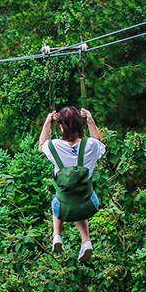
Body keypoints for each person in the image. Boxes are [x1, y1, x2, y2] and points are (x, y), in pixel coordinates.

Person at [38, 106, 105, 262]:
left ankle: (57, 236)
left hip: (64, 206)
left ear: (61, 127)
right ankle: (86, 241)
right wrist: (90, 119)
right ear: (79, 125)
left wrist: (47, 122)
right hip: (89, 203)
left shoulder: (54, 146)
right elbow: (98, 139)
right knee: (77, 198)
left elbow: (41, 145)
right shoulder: (91, 146)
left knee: (60, 199)